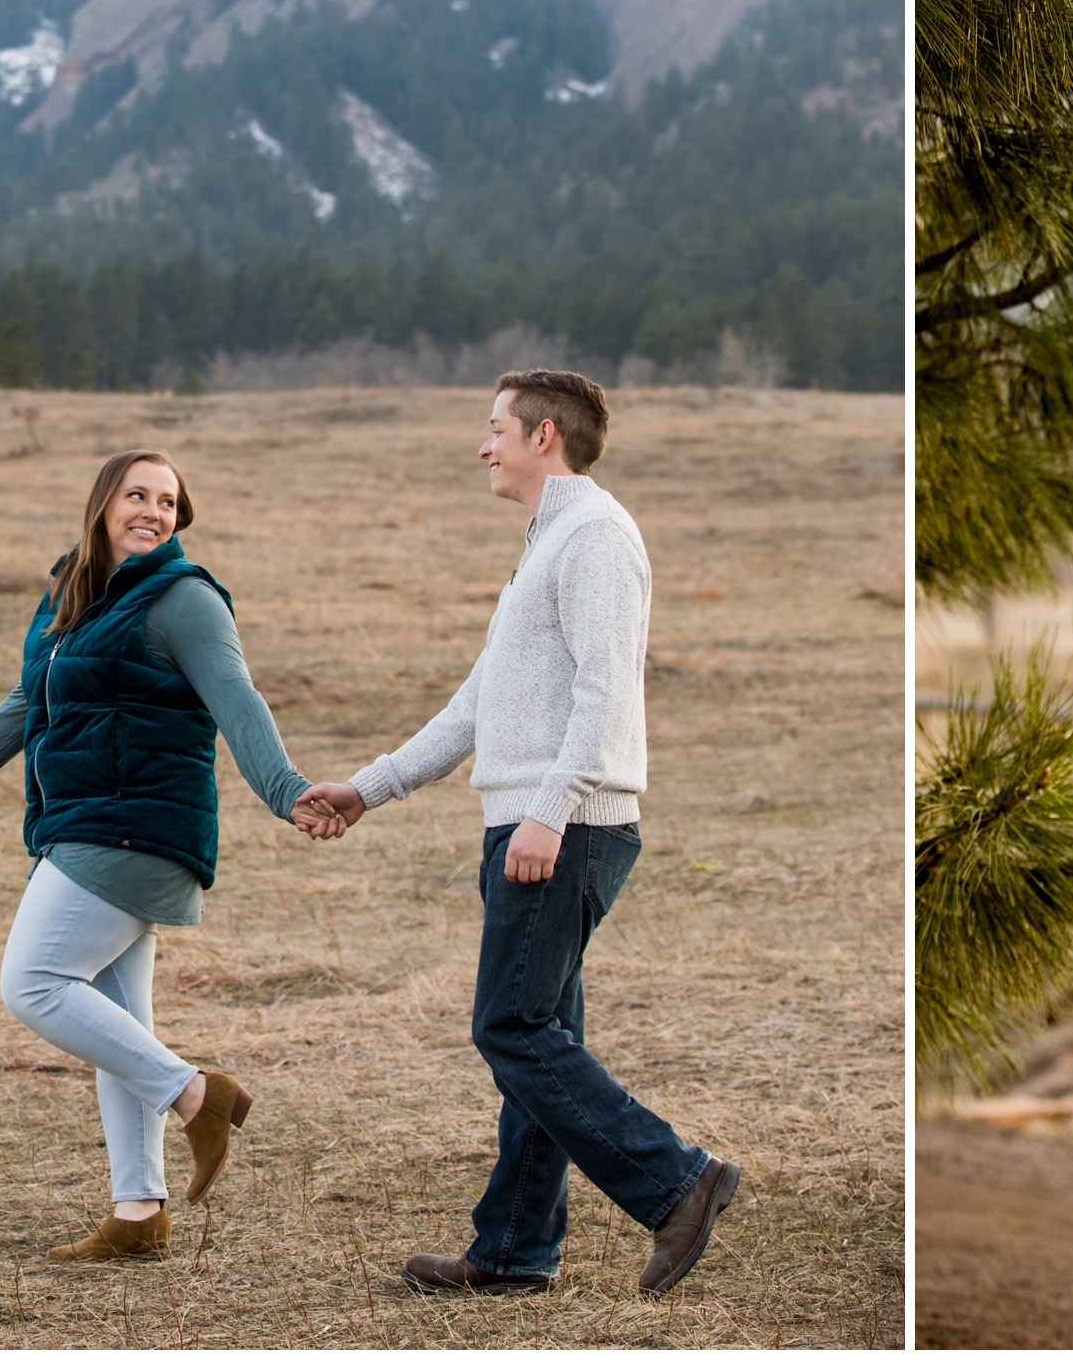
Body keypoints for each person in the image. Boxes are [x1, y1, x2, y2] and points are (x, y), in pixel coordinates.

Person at [293, 369, 739, 1299]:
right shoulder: (548, 542)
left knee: (512, 1027)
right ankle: (513, 1251)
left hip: (563, 828)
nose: (483, 444)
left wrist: (549, 810)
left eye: (495, 427)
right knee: (543, 1035)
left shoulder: (596, 538)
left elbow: (605, 690)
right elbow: (479, 703)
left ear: (545, 436)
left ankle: (679, 1182)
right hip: (534, 823)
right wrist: (370, 788)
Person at [0, 448, 342, 1263]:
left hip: (135, 830)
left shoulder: (183, 600)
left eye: (168, 502)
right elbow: (25, 700)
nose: (152, 511)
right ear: (102, 503)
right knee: (119, 1025)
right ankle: (139, 1211)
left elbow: (237, 700)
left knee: (33, 982)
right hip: (80, 820)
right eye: (137, 495)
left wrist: (286, 791)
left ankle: (195, 1094)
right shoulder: (70, 592)